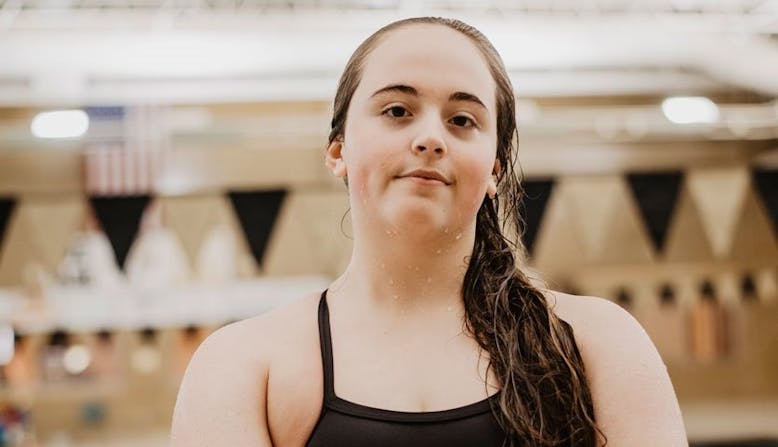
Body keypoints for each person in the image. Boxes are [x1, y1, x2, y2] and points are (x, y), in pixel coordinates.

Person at [170, 17, 688, 446]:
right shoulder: (245, 367)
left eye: (463, 120)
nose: (430, 138)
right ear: (338, 150)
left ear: (494, 170)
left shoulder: (595, 345)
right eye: (397, 110)